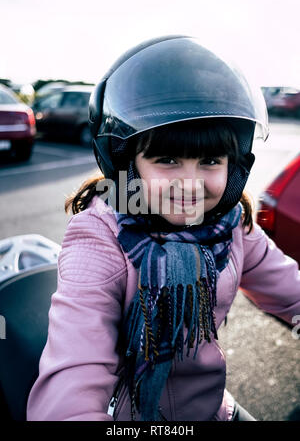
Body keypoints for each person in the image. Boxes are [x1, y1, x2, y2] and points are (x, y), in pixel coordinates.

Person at [26, 36, 300, 422]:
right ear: (127, 164)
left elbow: (291, 290)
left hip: (212, 407)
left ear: (235, 163)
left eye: (209, 161)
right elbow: (72, 378)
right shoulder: (99, 238)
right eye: (168, 159)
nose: (190, 184)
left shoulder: (229, 223)